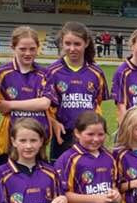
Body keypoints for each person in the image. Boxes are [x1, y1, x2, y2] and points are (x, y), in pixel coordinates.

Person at [44, 22, 110, 161]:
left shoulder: (96, 72)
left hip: (89, 135)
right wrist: (53, 122)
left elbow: (97, 103)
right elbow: (45, 105)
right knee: (61, 171)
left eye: (77, 44)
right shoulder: (52, 71)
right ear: (62, 43)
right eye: (67, 44)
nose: (72, 48)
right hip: (63, 134)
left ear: (86, 43)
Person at [0, 26, 51, 165]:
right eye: (22, 49)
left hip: (38, 136)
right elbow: (0, 105)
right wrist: (33, 104)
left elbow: (45, 103)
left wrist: (12, 104)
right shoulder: (1, 74)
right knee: (6, 174)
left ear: (38, 48)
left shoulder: (45, 73)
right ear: (13, 48)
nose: (28, 53)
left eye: (32, 49)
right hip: (11, 137)